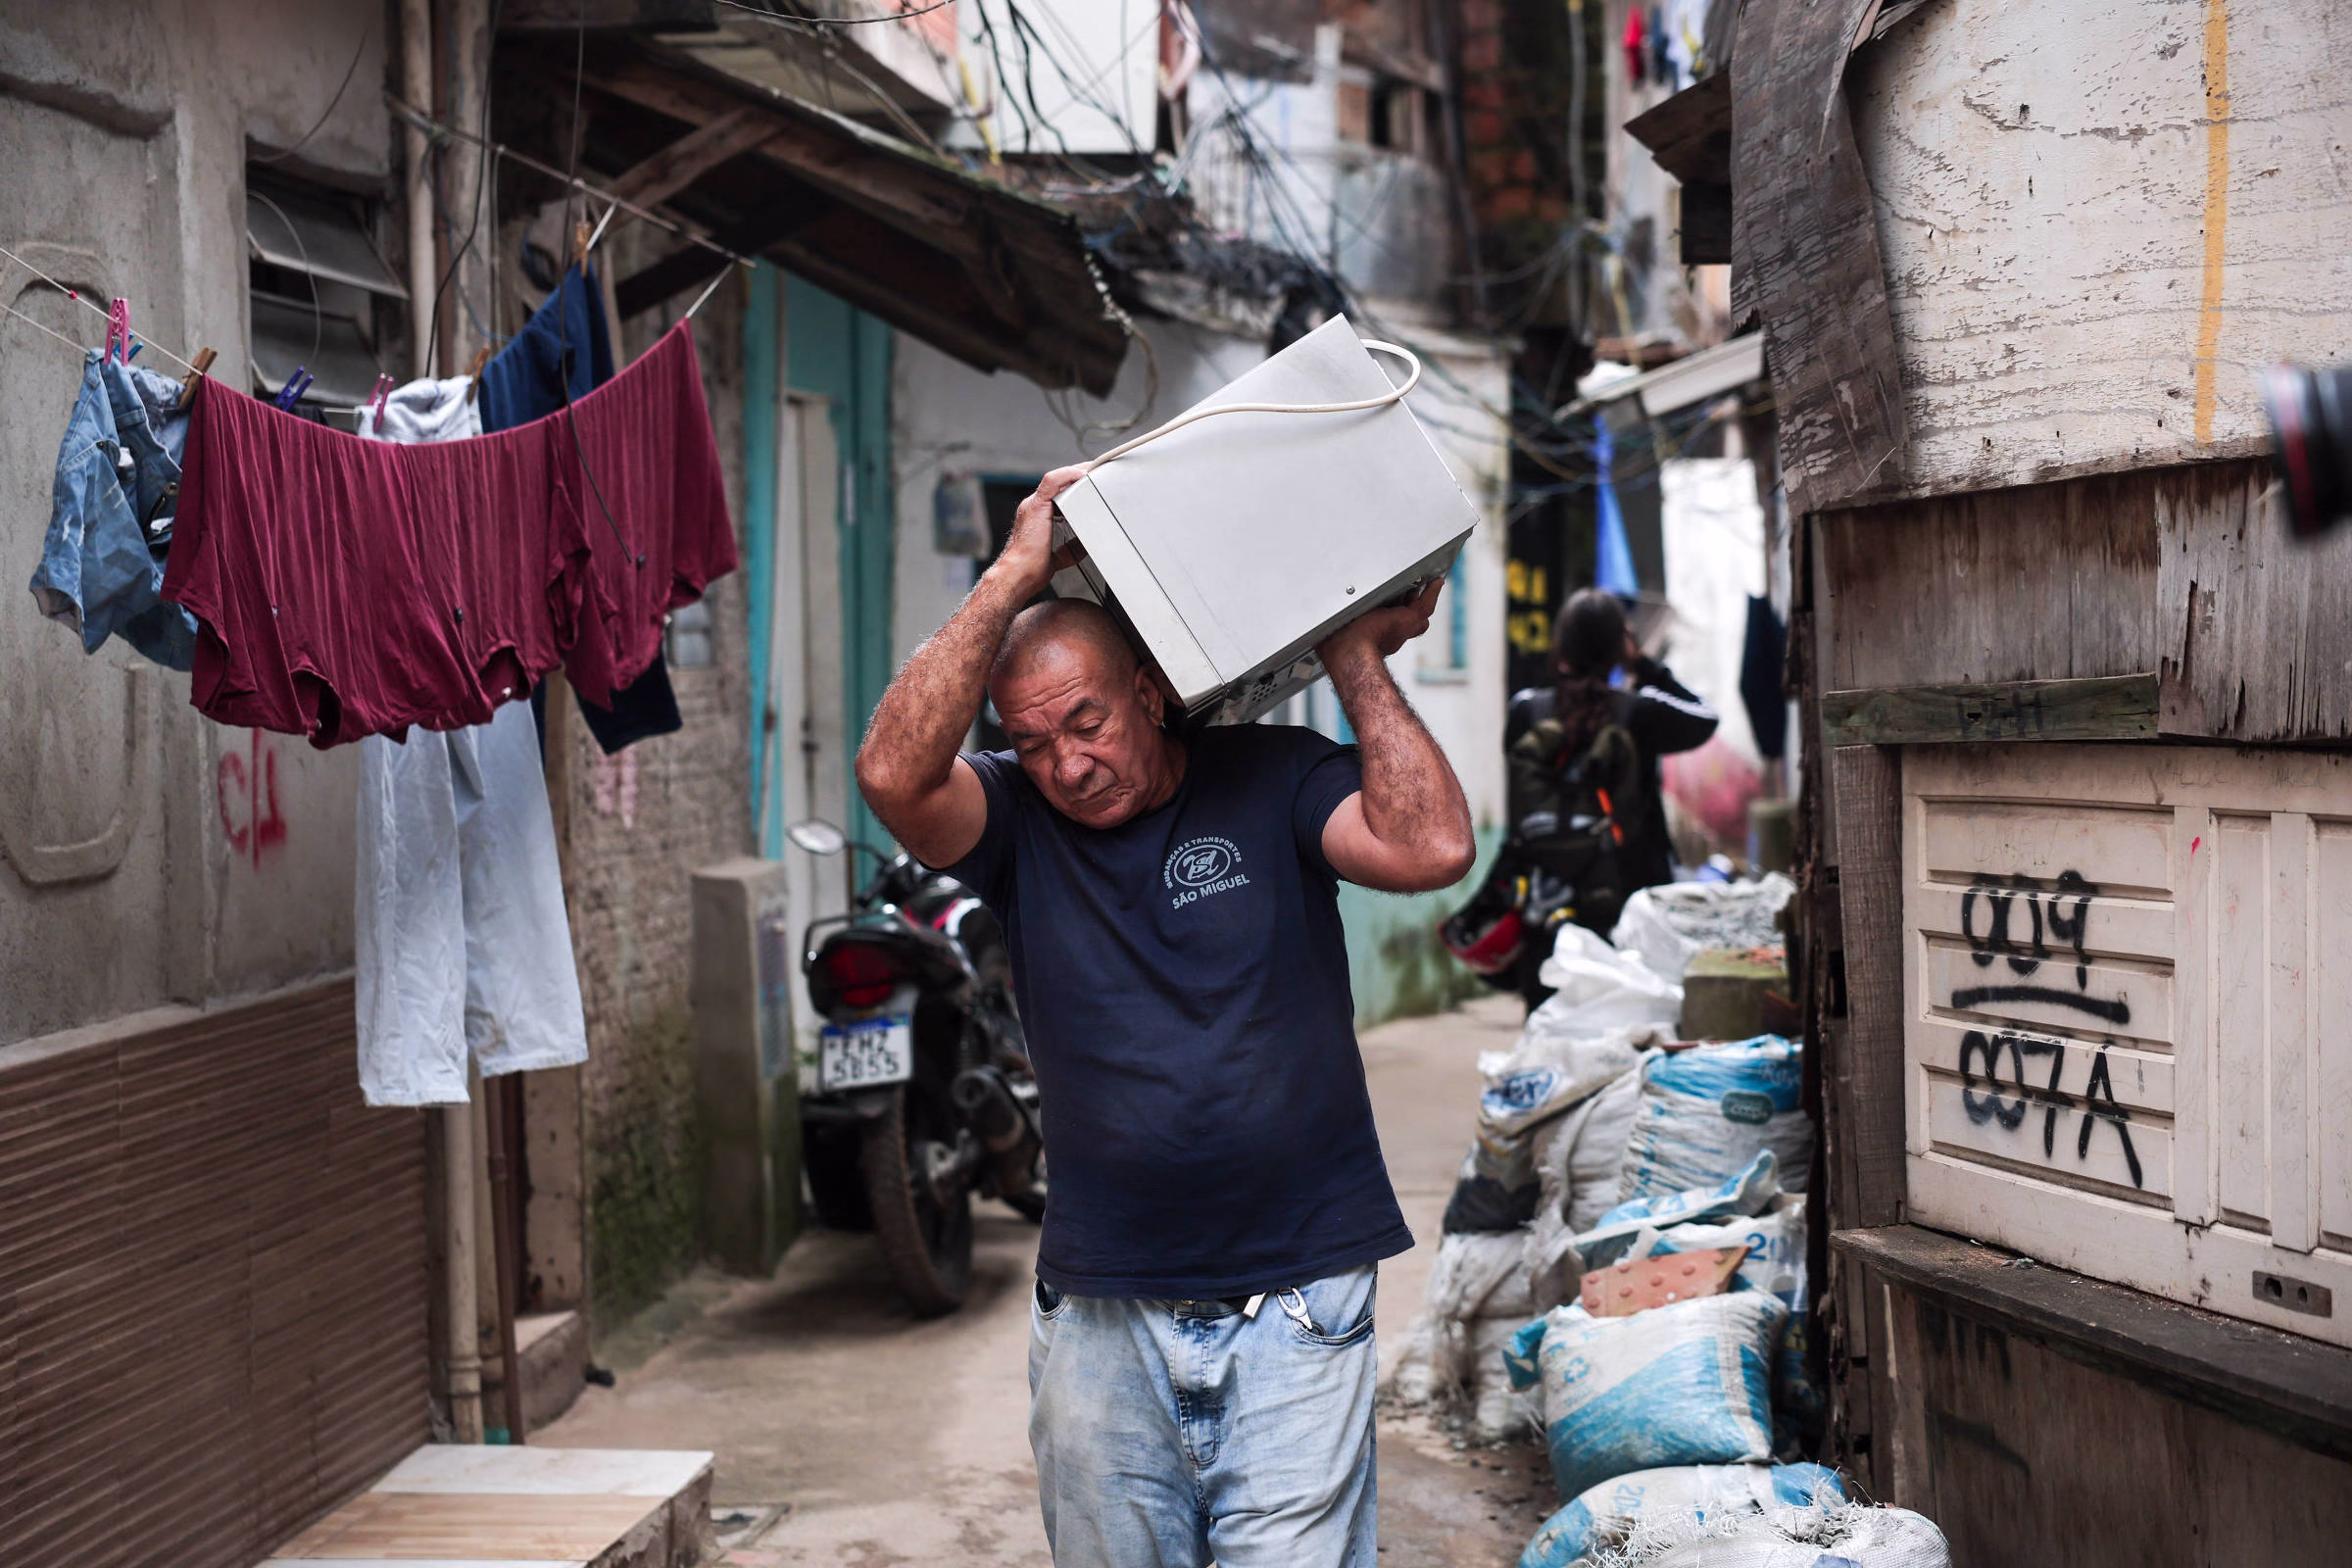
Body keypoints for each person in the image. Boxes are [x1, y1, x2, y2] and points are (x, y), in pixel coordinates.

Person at [856, 465, 1476, 1567]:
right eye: (1035, 742)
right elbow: (896, 775)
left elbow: (1429, 847)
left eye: (1086, 723)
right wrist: (1012, 574)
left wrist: (1352, 654)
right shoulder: (1013, 823)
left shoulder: (1273, 776)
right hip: (1104, 1312)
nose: (1068, 764)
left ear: (1148, 690)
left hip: (1298, 1293)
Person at [1501, 587, 1718, 1004]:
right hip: (1630, 902)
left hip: (1548, 902)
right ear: (1620, 646)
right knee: (1632, 1019)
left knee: (1549, 1024)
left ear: (1560, 643)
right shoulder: (1640, 713)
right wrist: (1645, 666)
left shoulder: (1525, 711)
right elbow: (1705, 718)